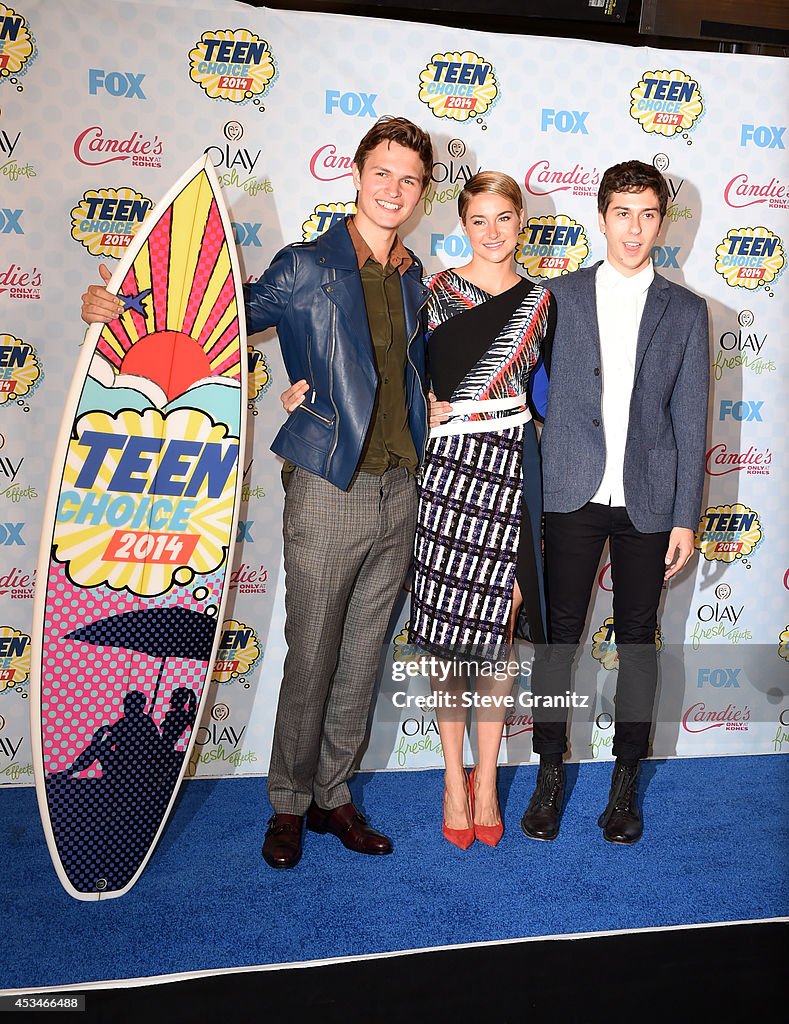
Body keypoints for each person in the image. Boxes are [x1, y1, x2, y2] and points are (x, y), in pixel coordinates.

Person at [82, 116, 435, 870]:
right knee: (311, 654)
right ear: (357, 173)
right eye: (383, 172)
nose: (394, 189)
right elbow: (219, 315)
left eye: (409, 178)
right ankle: (287, 803)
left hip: (401, 491)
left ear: (421, 191)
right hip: (327, 485)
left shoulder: (412, 277)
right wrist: (125, 308)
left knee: (362, 655)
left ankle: (332, 798)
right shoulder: (307, 265)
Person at [518, 160, 710, 844]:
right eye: (622, 213)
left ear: (662, 224)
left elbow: (692, 422)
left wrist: (685, 515)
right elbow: (513, 387)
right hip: (569, 490)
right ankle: (548, 773)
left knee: (638, 644)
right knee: (555, 641)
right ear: (601, 217)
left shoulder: (686, 312)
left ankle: (624, 782)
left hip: (650, 502)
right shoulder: (554, 295)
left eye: (647, 215)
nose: (634, 228)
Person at [409, 171, 554, 849]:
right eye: (478, 220)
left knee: (498, 627)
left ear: (520, 222)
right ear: (461, 223)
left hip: (509, 471)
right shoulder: (435, 293)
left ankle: (487, 780)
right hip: (447, 476)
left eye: (503, 218)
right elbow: (403, 381)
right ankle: (449, 776)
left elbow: (555, 399)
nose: (491, 232)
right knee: (445, 634)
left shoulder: (541, 304)